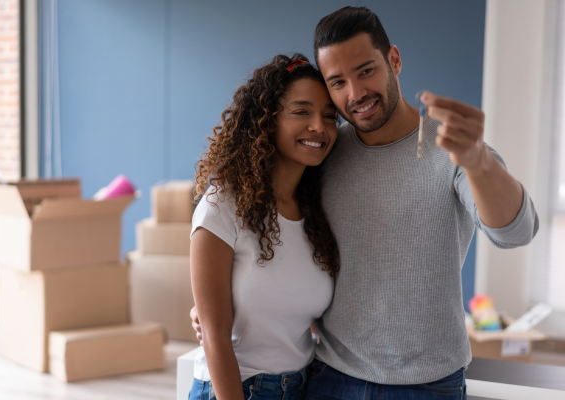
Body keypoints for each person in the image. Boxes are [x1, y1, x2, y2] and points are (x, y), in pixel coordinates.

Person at [192, 6, 539, 400]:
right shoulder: (325, 153)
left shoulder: (454, 151)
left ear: (394, 59)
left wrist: (479, 162)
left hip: (428, 386)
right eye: (337, 81)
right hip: (329, 379)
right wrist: (216, 309)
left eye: (366, 71)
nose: (355, 94)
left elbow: (516, 232)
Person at [188, 54, 340, 400]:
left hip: (303, 386)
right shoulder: (222, 205)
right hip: (236, 389)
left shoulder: (316, 212)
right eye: (301, 111)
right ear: (267, 121)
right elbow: (214, 337)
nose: (319, 126)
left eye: (329, 116)